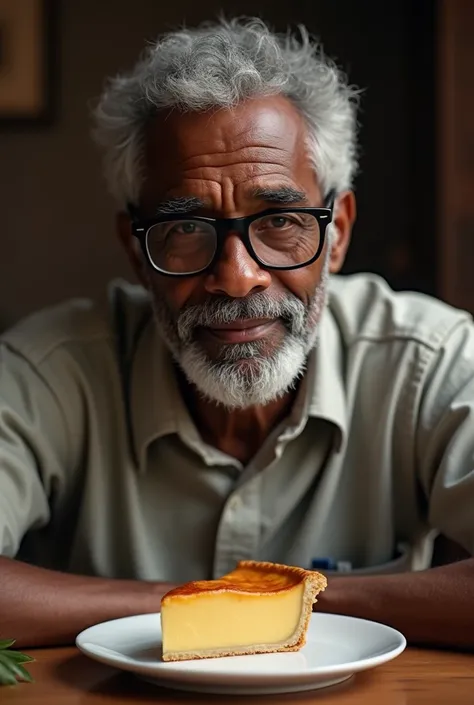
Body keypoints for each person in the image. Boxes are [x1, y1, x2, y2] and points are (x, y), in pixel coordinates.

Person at [0, 17, 473, 651]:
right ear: (136, 252)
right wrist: (217, 603)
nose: (238, 277)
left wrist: (276, 601)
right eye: (187, 228)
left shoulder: (432, 361)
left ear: (337, 234)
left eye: (280, 220)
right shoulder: (48, 370)